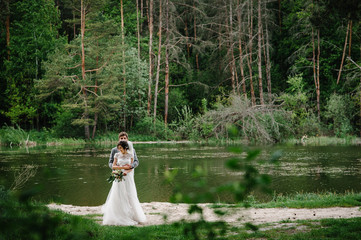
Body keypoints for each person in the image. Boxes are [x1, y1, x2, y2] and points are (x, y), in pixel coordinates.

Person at [102, 141, 146, 225]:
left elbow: (131, 167)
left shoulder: (131, 155)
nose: (119, 150)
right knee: (118, 195)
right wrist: (122, 168)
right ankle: (118, 215)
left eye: (120, 148)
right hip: (119, 176)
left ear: (125, 148)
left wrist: (126, 171)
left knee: (130, 194)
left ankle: (133, 216)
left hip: (128, 176)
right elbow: (113, 166)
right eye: (118, 148)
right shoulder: (117, 155)